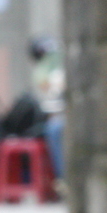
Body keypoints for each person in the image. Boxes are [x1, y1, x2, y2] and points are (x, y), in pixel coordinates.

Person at [30, 37, 65, 181]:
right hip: (56, 117)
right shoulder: (45, 74)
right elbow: (50, 101)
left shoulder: (62, 69)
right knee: (54, 128)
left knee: (57, 128)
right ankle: (63, 178)